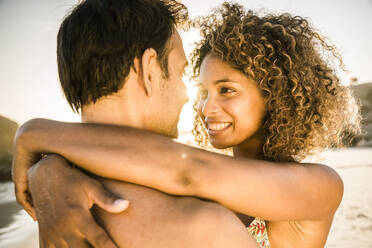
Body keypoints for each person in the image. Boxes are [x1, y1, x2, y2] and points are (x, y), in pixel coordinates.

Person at [13, 2, 361, 248]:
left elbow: (189, 170)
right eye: (201, 89)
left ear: (276, 94)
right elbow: (176, 167)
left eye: (226, 90)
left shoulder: (320, 185)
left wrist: (36, 138)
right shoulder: (174, 179)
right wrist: (49, 170)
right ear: (150, 71)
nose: (204, 106)